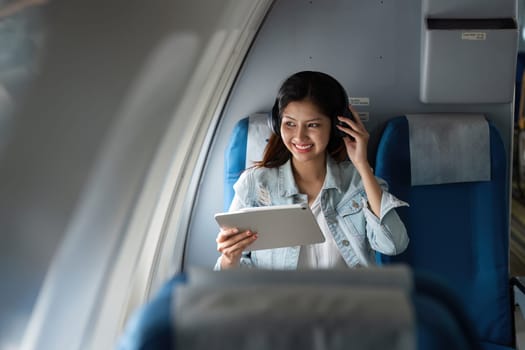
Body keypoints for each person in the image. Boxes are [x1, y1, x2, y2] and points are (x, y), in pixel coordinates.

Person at [215, 71, 408, 270]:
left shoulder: (357, 181)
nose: (299, 136)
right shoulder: (255, 184)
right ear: (277, 124)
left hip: (349, 299)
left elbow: (393, 245)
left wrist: (361, 165)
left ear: (336, 127)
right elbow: (232, 276)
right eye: (289, 124)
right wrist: (230, 259)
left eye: (313, 125)